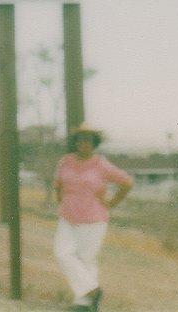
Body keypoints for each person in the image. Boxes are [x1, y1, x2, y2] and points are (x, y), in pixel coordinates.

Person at [53, 123, 133, 312]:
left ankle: (85, 303)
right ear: (75, 142)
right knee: (62, 253)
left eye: (88, 140)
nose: (84, 144)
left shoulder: (102, 165)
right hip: (67, 216)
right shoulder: (65, 162)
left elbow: (127, 182)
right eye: (80, 140)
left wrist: (112, 203)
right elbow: (58, 184)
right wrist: (63, 200)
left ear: (94, 143)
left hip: (93, 218)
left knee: (86, 258)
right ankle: (92, 290)